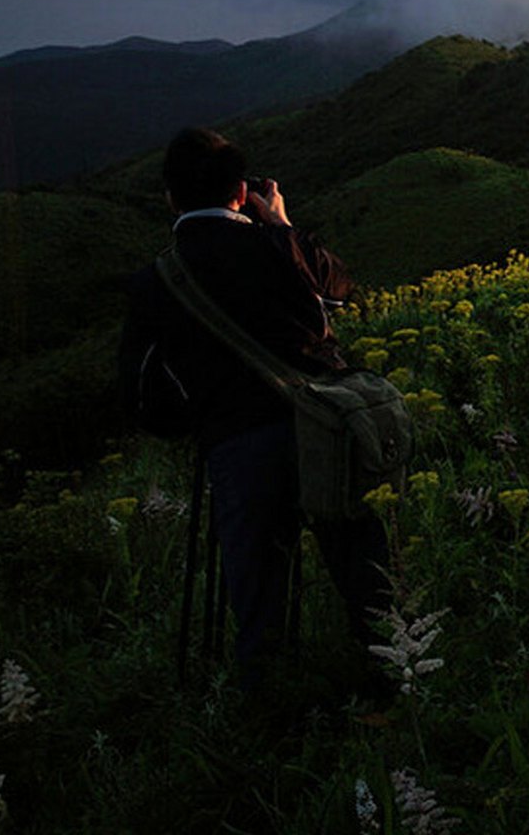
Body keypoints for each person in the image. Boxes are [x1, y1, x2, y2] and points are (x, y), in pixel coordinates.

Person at [118, 126, 392, 691]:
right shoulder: (278, 246)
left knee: (259, 592)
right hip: (326, 430)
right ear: (242, 192)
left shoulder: (156, 281)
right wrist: (284, 225)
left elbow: (146, 399)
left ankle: (273, 716)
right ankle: (396, 682)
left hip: (237, 445)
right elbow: (341, 289)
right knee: (364, 571)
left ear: (170, 198)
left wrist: (200, 419)